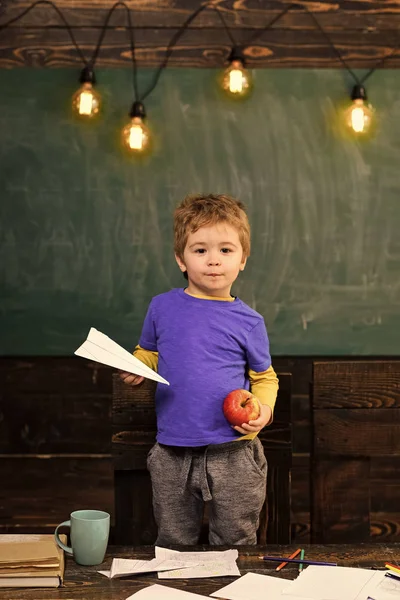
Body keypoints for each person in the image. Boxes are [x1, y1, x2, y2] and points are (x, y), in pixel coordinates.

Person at [120, 193, 279, 546]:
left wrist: (264, 411)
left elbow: (265, 377)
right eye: (200, 250)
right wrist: (136, 367)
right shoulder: (162, 308)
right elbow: (149, 352)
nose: (213, 261)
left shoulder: (250, 322)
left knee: (236, 541)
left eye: (226, 250)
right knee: (174, 540)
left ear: (242, 260)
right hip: (172, 452)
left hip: (235, 452)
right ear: (181, 259)